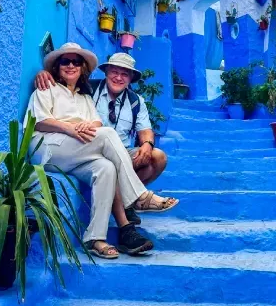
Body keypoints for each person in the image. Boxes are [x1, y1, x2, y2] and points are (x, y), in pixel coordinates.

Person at [24, 43, 179, 259]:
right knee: (107, 135)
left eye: (76, 62)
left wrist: (89, 127)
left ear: (82, 68)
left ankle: (95, 238)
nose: (71, 66)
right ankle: (139, 197)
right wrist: (70, 128)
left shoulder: (85, 96)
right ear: (57, 67)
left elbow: (96, 122)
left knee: (106, 168)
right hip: (47, 148)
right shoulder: (47, 88)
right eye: (65, 61)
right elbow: (39, 121)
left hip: (80, 150)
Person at [35, 52, 170, 225]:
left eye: (124, 74)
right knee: (108, 161)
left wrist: (147, 144)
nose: (118, 77)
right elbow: (66, 79)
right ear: (106, 72)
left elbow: (145, 130)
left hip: (124, 154)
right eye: (114, 72)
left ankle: (126, 201)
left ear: (130, 79)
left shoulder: (136, 101)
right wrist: (43, 73)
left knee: (158, 157)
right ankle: (135, 200)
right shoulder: (87, 89)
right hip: (91, 151)